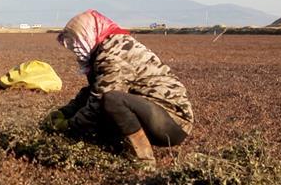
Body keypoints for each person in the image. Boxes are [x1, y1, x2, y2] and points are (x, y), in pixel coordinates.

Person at [45, 10, 194, 162]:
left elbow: (99, 99)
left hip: (173, 122)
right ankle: (117, 149)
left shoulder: (113, 54)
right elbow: (93, 91)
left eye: (75, 42)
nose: (74, 49)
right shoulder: (106, 48)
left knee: (112, 100)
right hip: (158, 115)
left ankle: (144, 161)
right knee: (105, 101)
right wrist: (64, 112)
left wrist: (68, 126)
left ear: (88, 34)